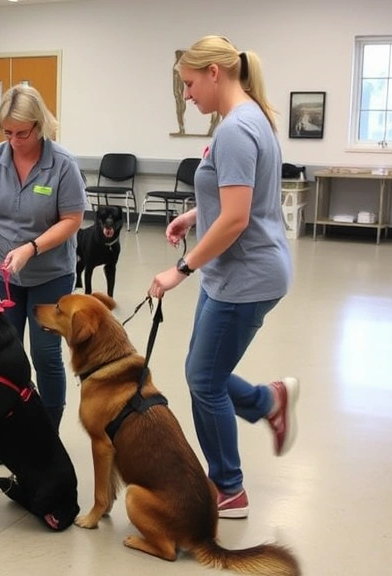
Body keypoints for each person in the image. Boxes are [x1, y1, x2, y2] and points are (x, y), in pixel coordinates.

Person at [147, 35, 300, 519]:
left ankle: (228, 488)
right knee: (202, 372)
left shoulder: (236, 129)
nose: (188, 96)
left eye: (190, 84)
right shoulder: (249, 117)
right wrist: (195, 215)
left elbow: (236, 219)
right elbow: (240, 199)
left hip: (247, 276)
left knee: (203, 379)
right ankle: (266, 401)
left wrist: (180, 269)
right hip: (236, 272)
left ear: (215, 73)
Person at [0, 83, 86, 449]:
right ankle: (6, 427)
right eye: (7, 132)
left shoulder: (62, 164)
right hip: (3, 271)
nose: (15, 140)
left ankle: (45, 435)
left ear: (40, 125)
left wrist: (32, 248)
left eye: (23, 132)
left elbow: (72, 219)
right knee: (4, 352)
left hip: (50, 272)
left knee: (45, 354)